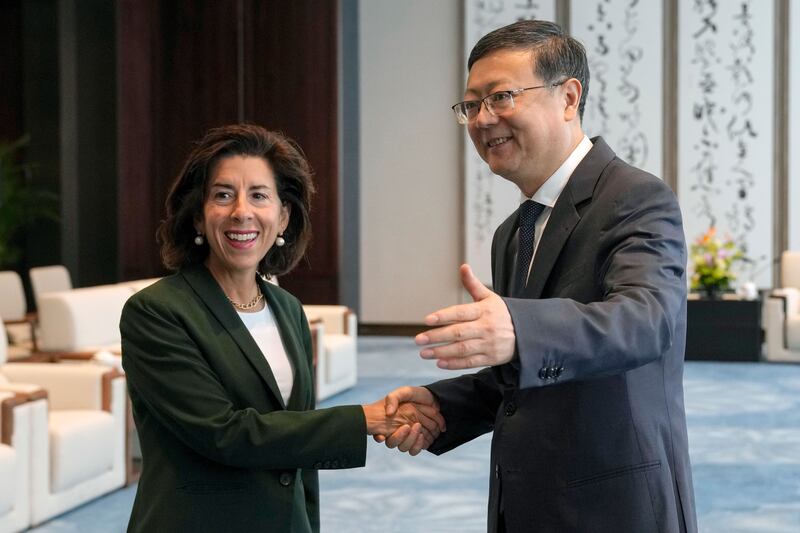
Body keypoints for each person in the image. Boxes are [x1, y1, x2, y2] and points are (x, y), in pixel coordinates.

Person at [380, 20, 698, 532]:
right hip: (526, 503)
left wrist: (518, 329)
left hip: (614, 505)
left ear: (569, 98)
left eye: (501, 97)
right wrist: (443, 405)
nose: (484, 120)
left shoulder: (634, 196)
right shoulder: (513, 231)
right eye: (472, 105)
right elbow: (528, 370)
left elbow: (646, 321)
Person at [120, 124, 444, 533]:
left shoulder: (287, 308)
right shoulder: (157, 312)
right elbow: (225, 434)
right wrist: (364, 419)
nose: (242, 211)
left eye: (259, 195)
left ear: (283, 216)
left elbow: (298, 449)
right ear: (199, 218)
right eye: (222, 195)